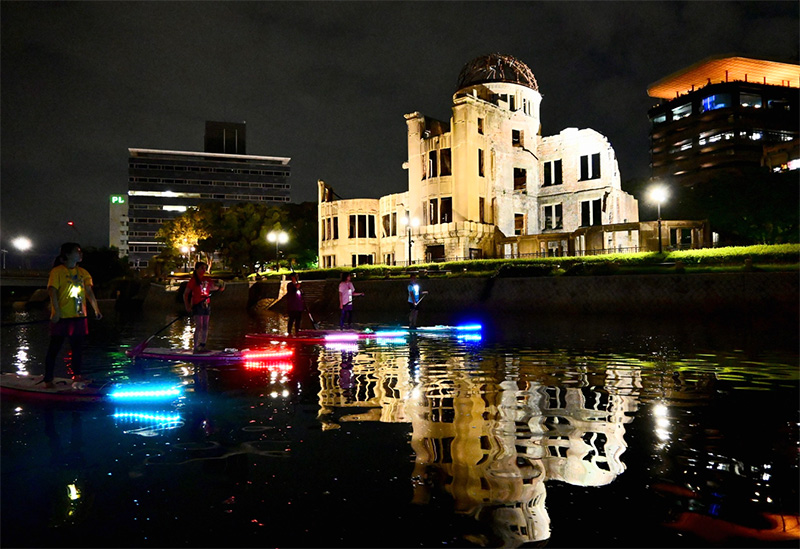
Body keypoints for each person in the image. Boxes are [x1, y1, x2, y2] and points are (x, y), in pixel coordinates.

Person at [44, 242, 102, 388]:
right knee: (54, 348)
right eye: (77, 251)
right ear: (67, 255)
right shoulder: (57, 271)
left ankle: (77, 376)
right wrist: (56, 312)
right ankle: (48, 379)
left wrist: (96, 309)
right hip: (62, 317)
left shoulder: (83, 273)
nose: (80, 254)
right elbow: (52, 291)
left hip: (79, 317)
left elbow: (89, 292)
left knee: (77, 349)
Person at [183, 261, 225, 353]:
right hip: (197, 304)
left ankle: (203, 345)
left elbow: (213, 288)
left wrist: (220, 287)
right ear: (197, 269)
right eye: (202, 268)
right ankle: (195, 347)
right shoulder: (193, 280)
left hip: (206, 304)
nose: (204, 270)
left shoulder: (207, 279)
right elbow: (186, 294)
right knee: (199, 325)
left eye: (205, 268)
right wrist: (187, 306)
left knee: (206, 325)